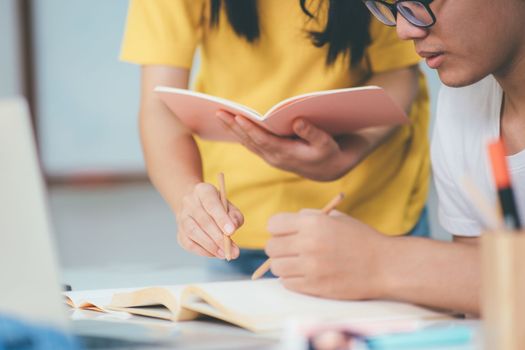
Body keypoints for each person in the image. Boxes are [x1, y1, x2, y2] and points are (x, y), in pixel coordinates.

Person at [120, 0, 430, 275]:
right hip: (239, 226)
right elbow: (159, 106)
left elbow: (400, 73)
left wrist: (348, 153)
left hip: (372, 216)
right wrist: (188, 199)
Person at [265, 0, 525, 314]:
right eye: (395, 8)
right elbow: (477, 299)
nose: (404, 30)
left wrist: (379, 261)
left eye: (422, 1)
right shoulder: (461, 104)